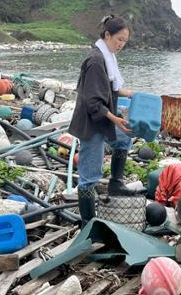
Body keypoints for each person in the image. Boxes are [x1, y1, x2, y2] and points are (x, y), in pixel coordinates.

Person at [69, 15, 144, 225]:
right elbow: (93, 103)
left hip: (104, 117)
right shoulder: (95, 60)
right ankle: (88, 222)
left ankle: (116, 183)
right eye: (118, 39)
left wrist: (135, 95)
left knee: (123, 138)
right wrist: (116, 119)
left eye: (124, 41)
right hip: (92, 122)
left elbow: (114, 88)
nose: (121, 45)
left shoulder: (108, 56)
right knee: (89, 176)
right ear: (107, 35)